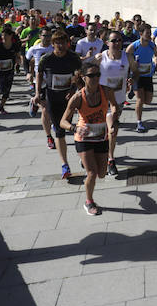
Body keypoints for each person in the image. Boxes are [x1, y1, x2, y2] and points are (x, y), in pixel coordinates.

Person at [60, 63, 118, 215]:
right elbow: (62, 122)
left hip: (101, 137)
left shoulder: (106, 91)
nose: (96, 78)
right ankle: (89, 202)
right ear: (83, 77)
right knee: (92, 173)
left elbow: (114, 106)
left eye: (98, 75)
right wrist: (74, 128)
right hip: (83, 138)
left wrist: (112, 119)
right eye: (91, 75)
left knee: (102, 173)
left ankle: (85, 161)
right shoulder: (78, 97)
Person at [36, 30, 82, 179]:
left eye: (63, 43)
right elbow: (39, 74)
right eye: (58, 43)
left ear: (67, 44)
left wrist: (73, 89)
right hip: (53, 98)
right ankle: (65, 165)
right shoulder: (46, 58)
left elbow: (78, 74)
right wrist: (37, 93)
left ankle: (83, 155)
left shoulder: (73, 57)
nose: (61, 46)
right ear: (53, 44)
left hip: (69, 99)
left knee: (74, 128)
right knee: (59, 131)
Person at [94, 30, 130, 176]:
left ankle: (107, 156)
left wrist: (130, 82)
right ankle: (109, 159)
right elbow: (87, 74)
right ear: (107, 42)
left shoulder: (127, 57)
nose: (117, 43)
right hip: (102, 100)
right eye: (114, 40)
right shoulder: (100, 57)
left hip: (119, 100)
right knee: (109, 130)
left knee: (111, 131)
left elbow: (132, 72)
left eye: (119, 40)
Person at [127, 24, 157, 133]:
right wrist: (133, 64)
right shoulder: (134, 46)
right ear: (141, 34)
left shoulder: (151, 45)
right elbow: (127, 54)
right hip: (137, 75)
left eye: (150, 33)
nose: (150, 35)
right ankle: (139, 122)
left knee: (148, 101)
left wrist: (156, 65)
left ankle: (133, 91)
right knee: (140, 100)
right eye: (147, 33)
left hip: (148, 75)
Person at [26, 28, 55, 147]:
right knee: (45, 110)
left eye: (49, 36)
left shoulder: (54, 48)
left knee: (53, 108)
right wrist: (28, 72)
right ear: (40, 36)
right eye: (45, 36)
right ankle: (49, 137)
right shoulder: (34, 49)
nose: (47, 38)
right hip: (40, 82)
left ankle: (34, 102)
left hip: (53, 82)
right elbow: (27, 60)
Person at [0, 24, 22, 114]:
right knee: (2, 86)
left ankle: (1, 107)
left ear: (11, 36)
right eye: (3, 35)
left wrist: (18, 61)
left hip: (10, 69)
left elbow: (18, 56)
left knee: (8, 89)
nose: (4, 37)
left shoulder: (14, 46)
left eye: (6, 35)